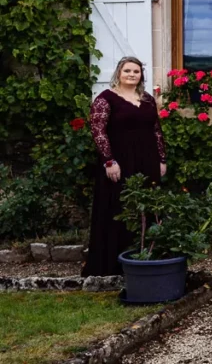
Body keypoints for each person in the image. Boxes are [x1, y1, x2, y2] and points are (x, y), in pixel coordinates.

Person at [82, 57, 167, 277]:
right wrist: (109, 161)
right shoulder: (105, 99)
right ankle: (113, 265)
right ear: (119, 73)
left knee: (147, 207)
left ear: (141, 75)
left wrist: (162, 160)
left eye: (136, 71)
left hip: (147, 161)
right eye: (127, 70)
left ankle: (146, 260)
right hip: (119, 162)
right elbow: (98, 132)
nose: (131, 74)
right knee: (118, 208)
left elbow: (156, 130)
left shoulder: (147, 99)